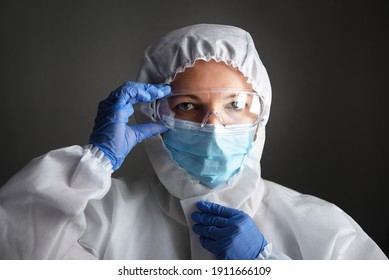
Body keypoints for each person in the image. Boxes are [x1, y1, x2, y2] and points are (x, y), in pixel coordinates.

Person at [0, 24, 387, 260]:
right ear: (153, 114)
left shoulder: (323, 229)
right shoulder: (100, 220)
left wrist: (266, 266)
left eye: (235, 104)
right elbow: (16, 251)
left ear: (260, 117)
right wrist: (93, 163)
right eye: (187, 105)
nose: (213, 125)